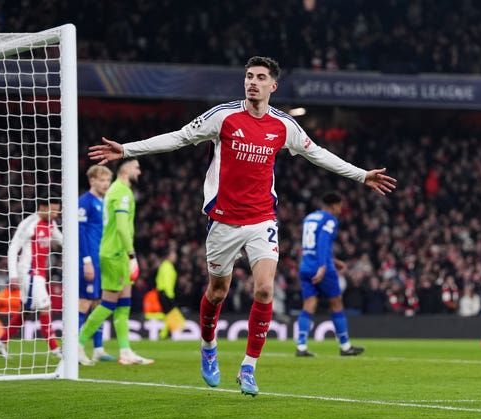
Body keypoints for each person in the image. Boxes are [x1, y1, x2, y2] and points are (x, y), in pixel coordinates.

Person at [88, 56, 396, 396]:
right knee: (217, 291)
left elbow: (318, 153)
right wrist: (127, 149)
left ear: (272, 86)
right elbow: (178, 138)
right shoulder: (223, 117)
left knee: (264, 290)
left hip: (263, 219)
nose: (252, 82)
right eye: (249, 76)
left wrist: (361, 174)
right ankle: (208, 346)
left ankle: (248, 367)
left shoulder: (283, 126)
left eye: (260, 77)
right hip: (223, 221)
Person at [77, 159, 154, 365]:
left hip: (118, 253)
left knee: (124, 304)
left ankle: (125, 351)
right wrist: (131, 255)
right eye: (136, 167)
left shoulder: (118, 191)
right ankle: (77, 344)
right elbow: (121, 227)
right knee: (108, 304)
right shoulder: (120, 191)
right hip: (115, 254)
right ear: (126, 168)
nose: (139, 171)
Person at [296, 192, 365, 357]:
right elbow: (322, 242)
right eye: (340, 206)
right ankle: (345, 346)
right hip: (322, 268)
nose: (341, 210)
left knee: (309, 304)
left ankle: (301, 346)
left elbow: (311, 246)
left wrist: (333, 260)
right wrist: (323, 266)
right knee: (336, 302)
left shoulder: (309, 218)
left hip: (305, 265)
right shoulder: (329, 219)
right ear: (334, 205)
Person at [0, 198, 63, 359]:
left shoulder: (51, 223)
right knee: (46, 308)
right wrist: (14, 275)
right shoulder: (29, 224)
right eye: (52, 210)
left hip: (40, 274)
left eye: (57, 211)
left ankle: (0, 342)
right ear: (42, 207)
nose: (55, 214)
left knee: (26, 313)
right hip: (29, 274)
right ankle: (55, 350)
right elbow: (13, 249)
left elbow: (63, 240)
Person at [77, 165, 116, 366]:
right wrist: (86, 262)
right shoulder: (84, 202)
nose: (106, 184)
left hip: (103, 260)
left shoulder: (105, 202)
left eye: (108, 181)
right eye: (102, 181)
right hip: (89, 260)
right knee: (83, 303)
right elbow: (80, 235)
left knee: (99, 304)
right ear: (92, 181)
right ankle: (76, 348)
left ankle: (98, 349)